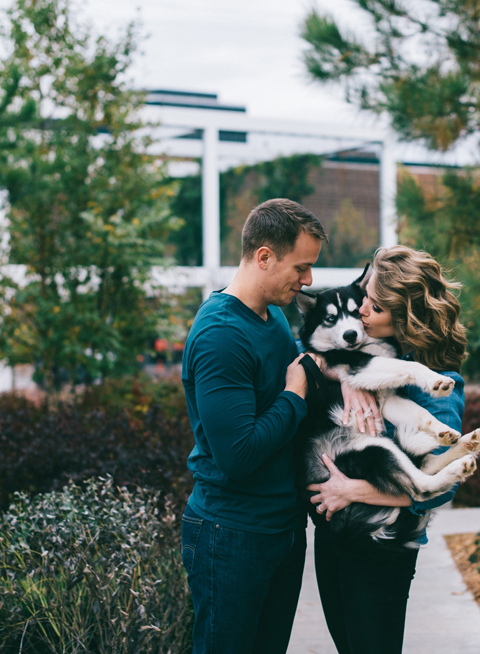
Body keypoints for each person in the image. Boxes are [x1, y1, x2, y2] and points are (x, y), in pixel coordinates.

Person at [180, 198, 327, 654]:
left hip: (280, 529)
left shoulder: (273, 317)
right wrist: (295, 393)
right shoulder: (221, 335)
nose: (308, 281)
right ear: (264, 256)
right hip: (231, 535)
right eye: (301, 267)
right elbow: (238, 455)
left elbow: (300, 380)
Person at [307, 244, 468, 654]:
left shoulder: (436, 383)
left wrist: (351, 491)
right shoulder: (370, 354)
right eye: (365, 299)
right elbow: (313, 352)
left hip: (382, 545)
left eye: (374, 307)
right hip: (335, 531)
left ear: (404, 316)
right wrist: (345, 374)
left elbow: (438, 486)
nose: (360, 311)